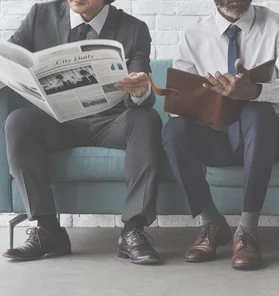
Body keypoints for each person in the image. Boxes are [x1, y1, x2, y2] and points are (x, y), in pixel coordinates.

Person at [2, 0, 163, 265]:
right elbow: (8, 58)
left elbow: (143, 96)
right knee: (17, 121)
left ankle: (133, 231)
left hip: (111, 122)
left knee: (146, 119)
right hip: (59, 122)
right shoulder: (40, 15)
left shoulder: (134, 29)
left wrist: (140, 90)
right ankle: (48, 230)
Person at [163, 0, 279, 270]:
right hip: (216, 136)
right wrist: (207, 107)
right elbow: (179, 102)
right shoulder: (193, 34)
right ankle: (211, 222)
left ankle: (247, 230)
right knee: (174, 130)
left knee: (256, 112)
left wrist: (254, 92)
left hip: (266, 136)